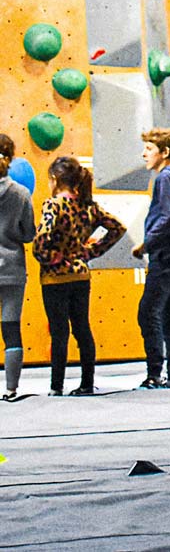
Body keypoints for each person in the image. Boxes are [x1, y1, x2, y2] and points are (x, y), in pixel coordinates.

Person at [32, 156, 124, 396]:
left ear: (54, 180)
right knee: (82, 328)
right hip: (81, 275)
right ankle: (86, 382)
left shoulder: (53, 205)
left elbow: (42, 237)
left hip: (55, 278)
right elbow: (117, 227)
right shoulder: (88, 206)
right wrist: (91, 252)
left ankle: (57, 385)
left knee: (59, 331)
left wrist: (49, 256)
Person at [130, 128, 170, 389]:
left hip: (166, 252)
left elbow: (167, 216)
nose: (144, 153)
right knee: (168, 311)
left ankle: (155, 372)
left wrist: (147, 243)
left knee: (148, 312)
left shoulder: (165, 178)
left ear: (165, 153)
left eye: (149, 148)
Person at [0, 135, 35, 400]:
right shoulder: (21, 193)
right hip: (12, 268)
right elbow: (28, 234)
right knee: (11, 328)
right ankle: (11, 389)